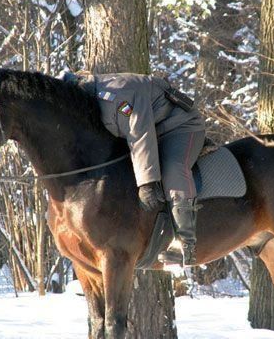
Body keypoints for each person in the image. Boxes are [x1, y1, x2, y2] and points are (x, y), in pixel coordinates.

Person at [65, 72, 205, 266]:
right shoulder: (92, 101)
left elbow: (141, 135)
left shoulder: (118, 97)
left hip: (179, 126)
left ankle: (185, 244)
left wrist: (147, 183)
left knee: (173, 169)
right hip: (153, 127)